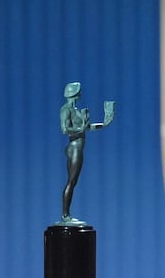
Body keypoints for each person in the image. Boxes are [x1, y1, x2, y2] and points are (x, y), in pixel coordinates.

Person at [59, 82, 115, 225]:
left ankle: (67, 214)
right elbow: (65, 129)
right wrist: (81, 128)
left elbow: (88, 127)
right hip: (74, 148)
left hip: (79, 147)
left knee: (73, 182)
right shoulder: (66, 110)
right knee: (71, 181)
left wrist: (104, 123)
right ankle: (65, 215)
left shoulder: (76, 111)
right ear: (74, 94)